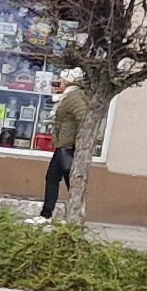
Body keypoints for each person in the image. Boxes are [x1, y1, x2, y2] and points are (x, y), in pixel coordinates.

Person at [38, 68, 88, 221]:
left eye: (60, 80)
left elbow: (82, 119)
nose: (57, 82)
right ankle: (49, 214)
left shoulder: (75, 97)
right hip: (64, 145)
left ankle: (68, 216)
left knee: (67, 182)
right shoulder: (68, 96)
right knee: (55, 179)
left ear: (67, 81)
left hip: (68, 147)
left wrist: (79, 145)